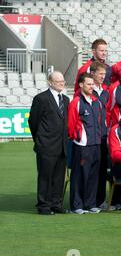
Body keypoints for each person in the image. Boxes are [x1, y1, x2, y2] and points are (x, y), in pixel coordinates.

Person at [28, 71, 70, 215]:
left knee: (59, 177)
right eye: (58, 81)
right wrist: (40, 139)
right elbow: (33, 121)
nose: (62, 83)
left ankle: (56, 203)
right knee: (46, 176)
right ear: (50, 82)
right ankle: (43, 205)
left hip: (62, 146)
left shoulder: (65, 99)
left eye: (63, 81)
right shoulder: (41, 99)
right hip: (46, 146)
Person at [67, 73, 102, 214]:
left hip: (96, 144)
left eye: (92, 84)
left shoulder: (96, 102)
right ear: (81, 85)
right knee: (79, 176)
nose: (91, 86)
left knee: (93, 175)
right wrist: (78, 137)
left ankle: (90, 204)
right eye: (88, 84)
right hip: (82, 146)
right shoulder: (76, 102)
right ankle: (77, 206)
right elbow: (70, 124)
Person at [89, 62, 110, 209]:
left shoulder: (106, 92)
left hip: (103, 136)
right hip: (90, 138)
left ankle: (100, 200)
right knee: (91, 169)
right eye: (100, 74)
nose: (103, 76)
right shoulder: (87, 92)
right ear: (92, 74)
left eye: (104, 74)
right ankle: (88, 200)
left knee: (102, 169)